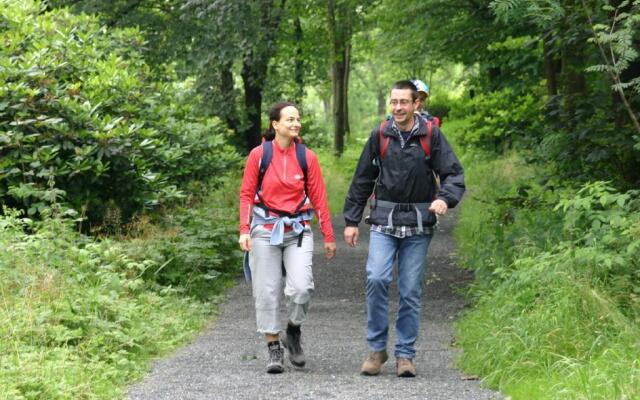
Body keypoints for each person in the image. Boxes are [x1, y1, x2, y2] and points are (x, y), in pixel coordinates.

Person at [343, 80, 465, 378]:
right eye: (394, 102)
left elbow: (453, 174)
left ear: (415, 104)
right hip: (384, 221)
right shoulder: (380, 135)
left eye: (404, 102)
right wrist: (351, 220)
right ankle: (376, 349)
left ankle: (405, 355)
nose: (398, 107)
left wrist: (444, 199)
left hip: (419, 225)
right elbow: (363, 179)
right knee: (377, 277)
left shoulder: (431, 135)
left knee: (410, 291)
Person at [238, 101, 337, 374]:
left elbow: (319, 199)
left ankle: (293, 330)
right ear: (275, 124)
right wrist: (244, 230)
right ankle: (273, 348)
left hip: (298, 229)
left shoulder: (308, 157)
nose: (295, 124)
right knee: (267, 291)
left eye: (298, 119)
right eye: (289, 119)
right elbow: (247, 195)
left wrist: (328, 235)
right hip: (264, 229)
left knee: (302, 287)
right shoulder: (258, 156)